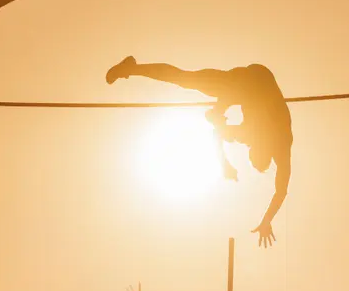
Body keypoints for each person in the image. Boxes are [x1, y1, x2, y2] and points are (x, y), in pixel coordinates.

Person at [106, 56, 291, 247]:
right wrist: (224, 160)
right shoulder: (282, 142)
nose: (248, 147)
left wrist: (224, 160)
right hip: (252, 81)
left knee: (185, 80)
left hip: (241, 85)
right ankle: (131, 69)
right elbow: (281, 190)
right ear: (261, 149)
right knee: (189, 83)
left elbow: (217, 134)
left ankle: (132, 68)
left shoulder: (248, 136)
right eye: (252, 150)